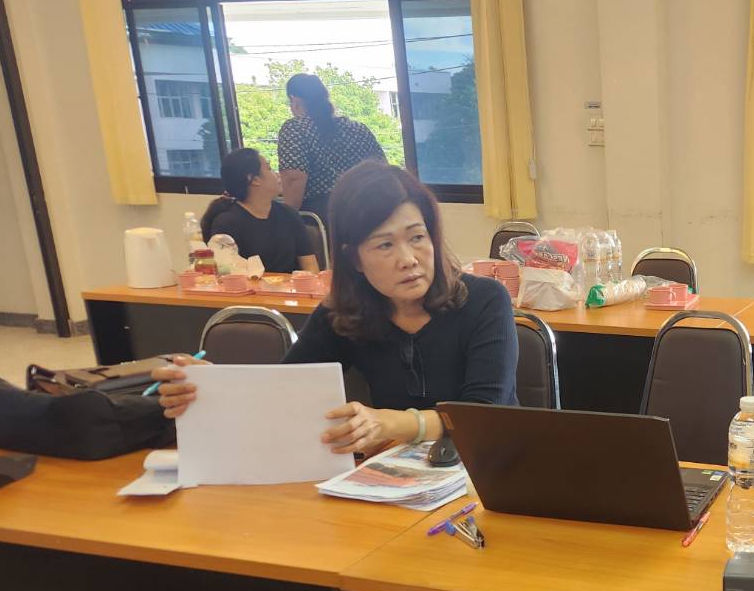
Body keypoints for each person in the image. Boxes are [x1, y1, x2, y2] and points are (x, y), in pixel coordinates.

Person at [154, 162, 518, 455]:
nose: (409, 259)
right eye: (385, 245)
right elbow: (285, 388)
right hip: (398, 476)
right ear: (354, 258)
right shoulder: (343, 314)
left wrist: (390, 423)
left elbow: (482, 416)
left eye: (417, 237)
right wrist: (213, 388)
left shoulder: (484, 300)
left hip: (487, 471)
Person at [277, 73, 387, 220]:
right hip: (369, 210)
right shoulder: (357, 128)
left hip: (323, 216)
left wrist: (288, 220)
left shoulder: (295, 128)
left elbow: (294, 179)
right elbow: (383, 169)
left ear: (294, 100)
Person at [199, 148, 319, 274]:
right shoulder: (227, 223)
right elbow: (227, 274)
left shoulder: (289, 214)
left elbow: (310, 265)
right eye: (269, 168)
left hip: (292, 285)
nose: (278, 174)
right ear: (254, 179)